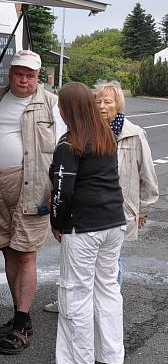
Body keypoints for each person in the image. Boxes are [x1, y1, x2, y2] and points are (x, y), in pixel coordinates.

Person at [43, 80, 159, 313]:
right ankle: (88, 304)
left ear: (119, 104)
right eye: (98, 101)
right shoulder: (85, 134)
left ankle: (100, 306)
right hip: (89, 211)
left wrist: (143, 209)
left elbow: (147, 175)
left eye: (108, 101)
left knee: (108, 267)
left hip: (118, 208)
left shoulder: (133, 134)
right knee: (88, 266)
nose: (103, 106)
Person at [0, 50, 66, 355]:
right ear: (10, 73)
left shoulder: (52, 104)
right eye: (19, 74)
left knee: (26, 254)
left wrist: (59, 193)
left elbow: (66, 147)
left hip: (33, 187)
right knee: (7, 251)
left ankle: (23, 322)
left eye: (30, 76)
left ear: (38, 77)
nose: (24, 80)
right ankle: (18, 316)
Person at [49, 82, 127, 364]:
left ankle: (77, 361)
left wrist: (57, 223)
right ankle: (111, 355)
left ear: (68, 109)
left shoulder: (69, 143)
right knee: (107, 288)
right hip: (113, 222)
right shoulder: (105, 135)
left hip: (84, 226)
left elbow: (62, 193)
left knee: (75, 290)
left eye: (61, 105)